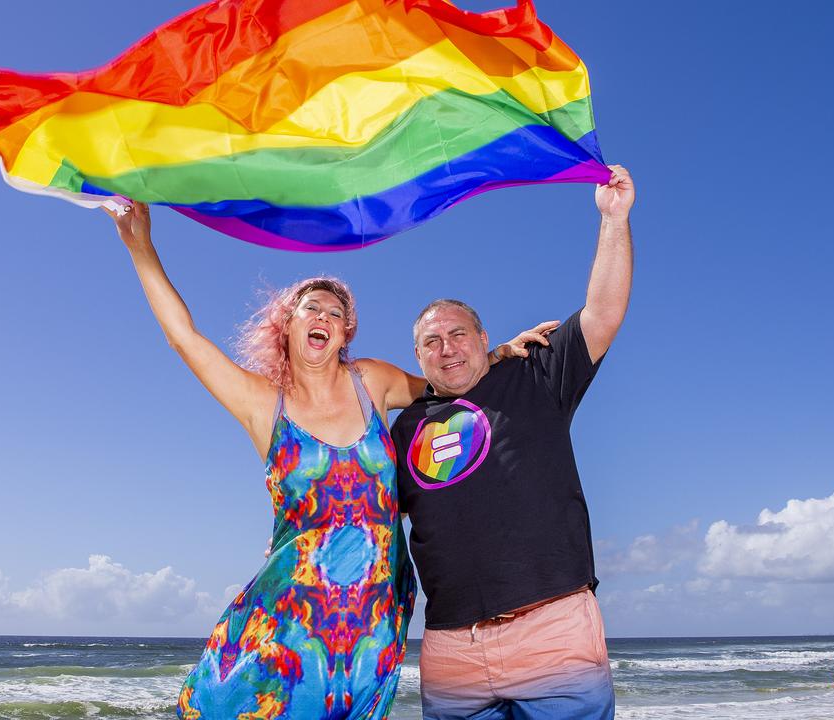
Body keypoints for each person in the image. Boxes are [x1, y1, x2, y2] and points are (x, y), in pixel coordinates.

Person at [103, 202, 555, 719]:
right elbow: (185, 338)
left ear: (345, 335)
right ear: (287, 326)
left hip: (376, 613)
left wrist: (494, 355)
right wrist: (140, 246)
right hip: (290, 614)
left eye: (335, 314)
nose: (324, 317)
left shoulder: (371, 381)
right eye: (312, 309)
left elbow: (447, 384)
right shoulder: (261, 404)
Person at [389, 165, 635, 719]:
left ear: (483, 338)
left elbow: (603, 314)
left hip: (551, 632)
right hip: (452, 649)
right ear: (419, 357)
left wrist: (613, 219)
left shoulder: (534, 376)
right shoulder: (407, 429)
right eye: (432, 341)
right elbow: (367, 514)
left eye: (458, 334)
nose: (447, 348)